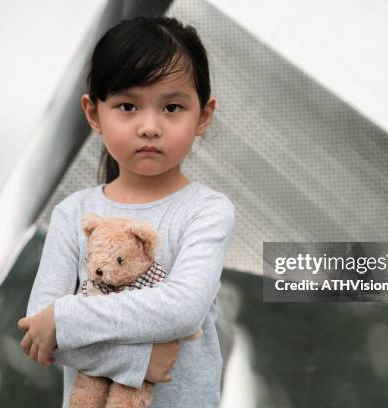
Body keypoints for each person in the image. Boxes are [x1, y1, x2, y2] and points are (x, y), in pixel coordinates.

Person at [16, 15, 236, 408]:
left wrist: (67, 320)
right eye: (127, 105)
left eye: (171, 107)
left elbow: (183, 308)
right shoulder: (74, 213)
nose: (149, 126)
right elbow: (39, 332)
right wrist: (138, 359)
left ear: (203, 115)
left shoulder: (207, 211)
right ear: (93, 113)